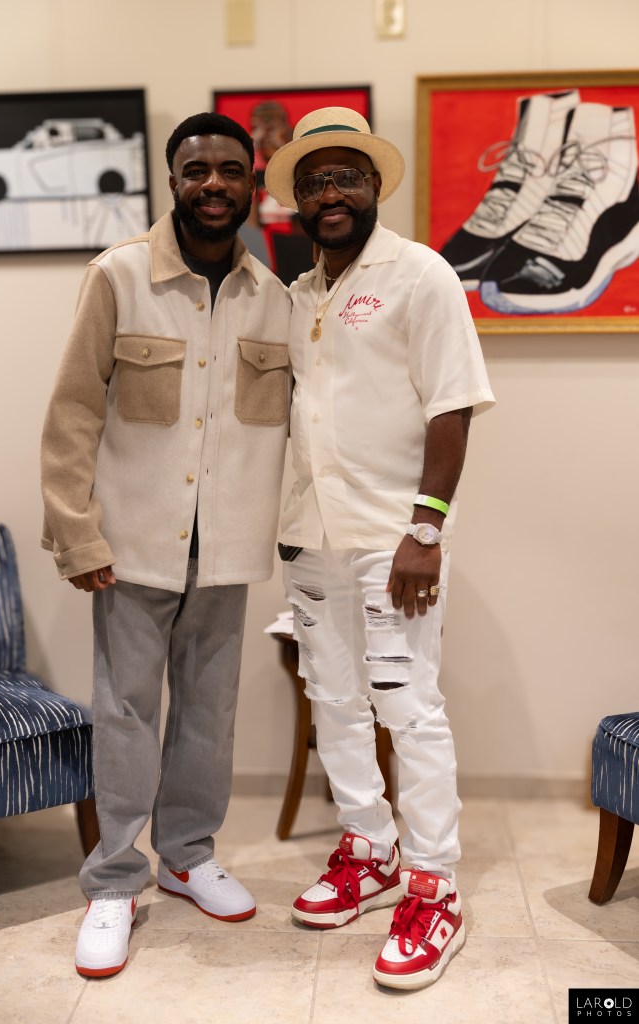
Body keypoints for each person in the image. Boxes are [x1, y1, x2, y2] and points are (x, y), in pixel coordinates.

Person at [40, 112, 291, 978]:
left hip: (227, 548)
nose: (213, 184)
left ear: (252, 181)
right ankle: (114, 880)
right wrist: (76, 533)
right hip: (131, 545)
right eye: (196, 170)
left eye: (229, 169)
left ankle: (187, 855)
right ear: (173, 179)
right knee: (126, 712)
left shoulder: (275, 297)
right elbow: (73, 410)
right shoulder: (118, 276)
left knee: (209, 713)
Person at [264, 107, 494, 991]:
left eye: (346, 177)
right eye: (314, 181)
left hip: (393, 538)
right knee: (332, 700)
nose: (331, 193)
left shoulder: (419, 274)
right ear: (296, 200)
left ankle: (435, 887)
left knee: (407, 706)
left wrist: (425, 528)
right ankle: (369, 849)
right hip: (309, 535)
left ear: (373, 186)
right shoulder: (297, 295)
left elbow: (451, 404)